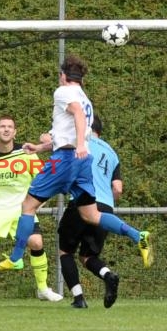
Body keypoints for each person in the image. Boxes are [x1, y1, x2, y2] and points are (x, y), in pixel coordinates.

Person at [0, 55, 152, 274]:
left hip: (66, 160)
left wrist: (79, 144)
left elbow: (77, 116)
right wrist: (40, 148)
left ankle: (15, 258)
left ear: (63, 76)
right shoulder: (85, 98)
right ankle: (138, 235)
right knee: (91, 215)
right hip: (83, 161)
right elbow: (70, 130)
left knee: (28, 206)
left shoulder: (63, 92)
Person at [0, 115, 63, 303]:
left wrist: (37, 202)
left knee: (36, 242)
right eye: (2, 126)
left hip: (21, 209)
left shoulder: (26, 153)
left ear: (15, 132)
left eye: (10, 126)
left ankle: (43, 289)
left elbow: (41, 178)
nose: (6, 129)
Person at [43, 115, 125, 308]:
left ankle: (79, 299)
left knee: (65, 251)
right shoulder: (112, 153)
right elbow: (118, 188)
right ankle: (108, 275)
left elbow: (47, 141)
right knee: (88, 256)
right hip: (105, 208)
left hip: (82, 202)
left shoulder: (80, 142)